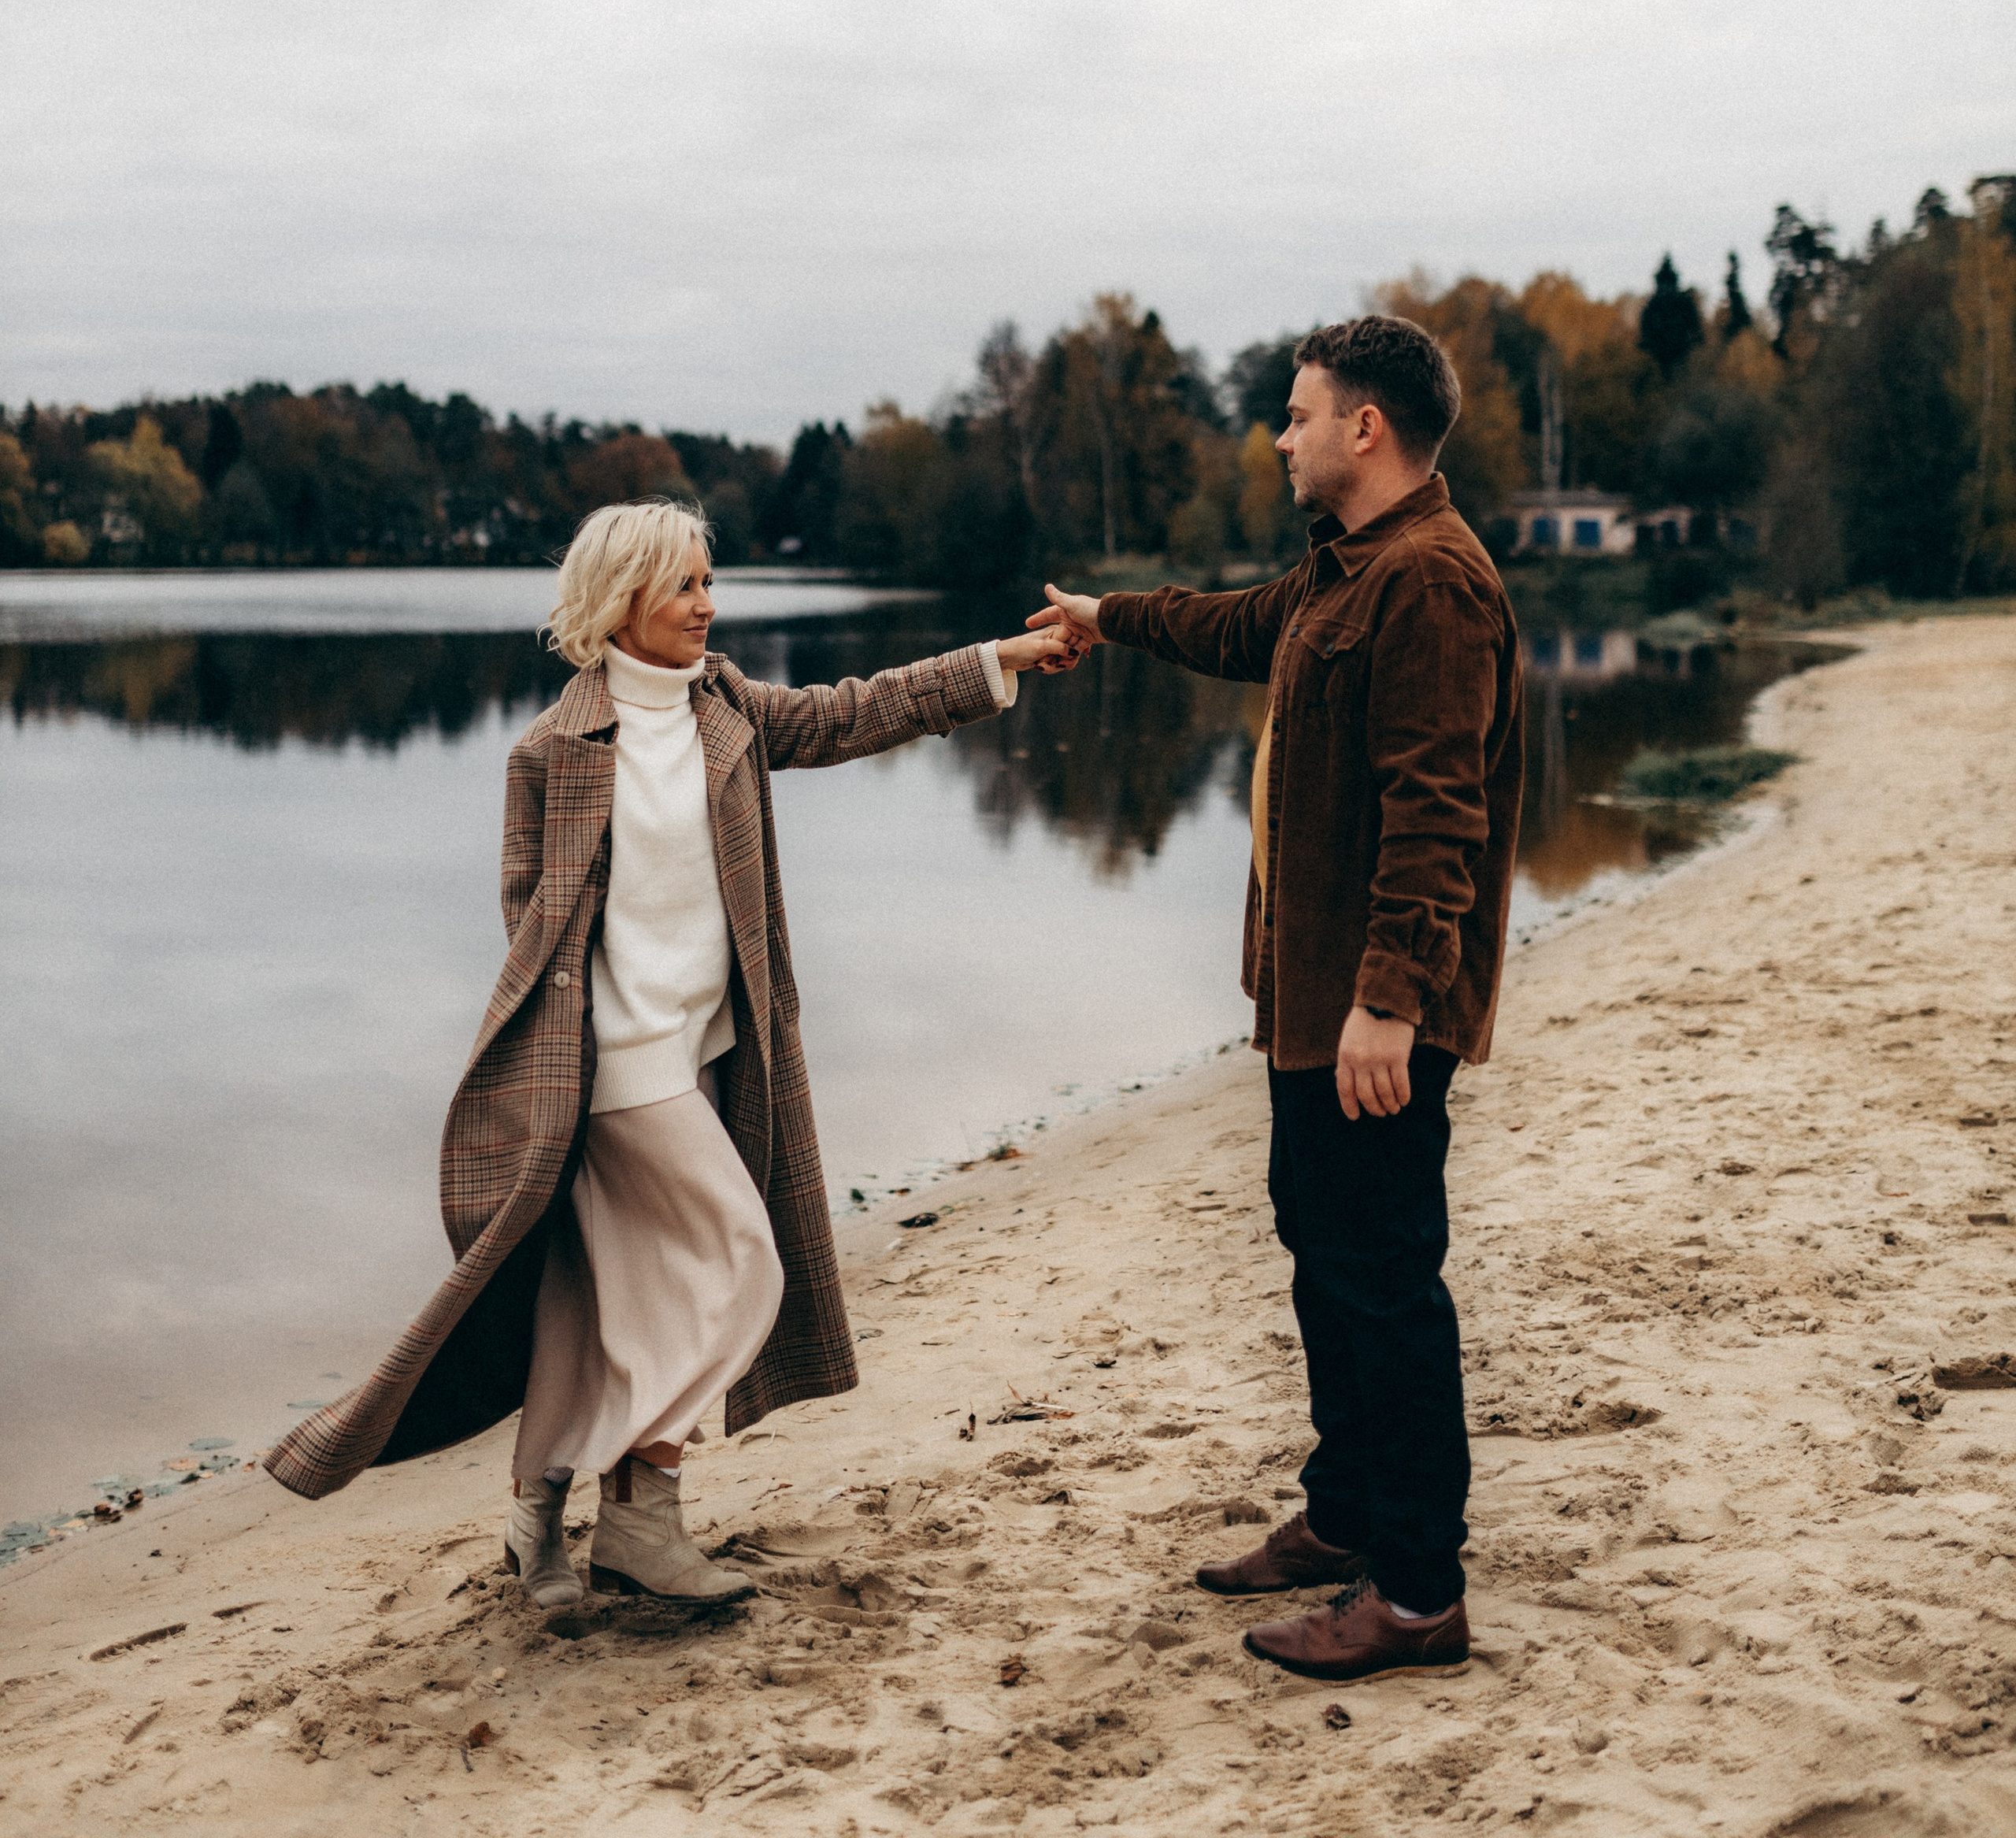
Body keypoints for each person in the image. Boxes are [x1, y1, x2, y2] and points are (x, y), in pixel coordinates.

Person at [267, 498, 1077, 1608]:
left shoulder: (726, 710)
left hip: (707, 1052)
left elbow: (855, 712)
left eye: (710, 580)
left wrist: (997, 660)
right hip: (610, 1067)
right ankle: (641, 1509)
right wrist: (564, 1071)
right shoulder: (552, 752)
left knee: (601, 1301)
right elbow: (529, 924)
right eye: (686, 586)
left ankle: (543, 1514)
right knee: (746, 1263)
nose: (709, 604)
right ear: (622, 601)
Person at [1036, 315, 1522, 1684]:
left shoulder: (1430, 581)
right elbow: (1238, 624)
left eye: (1300, 414)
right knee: (1323, 1248)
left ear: (1365, 427)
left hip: (1368, 1011)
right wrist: (1104, 620)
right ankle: (1350, 1514)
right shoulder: (1346, 570)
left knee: (1383, 1283)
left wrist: (1390, 1000)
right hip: (1310, 998)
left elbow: (1441, 811)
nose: (1281, 435)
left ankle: (1419, 1594)